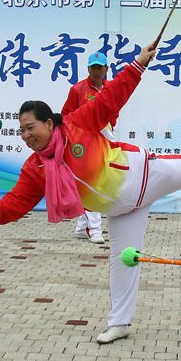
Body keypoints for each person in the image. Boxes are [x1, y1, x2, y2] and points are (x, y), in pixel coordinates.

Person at [0, 42, 181, 345]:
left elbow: (112, 97)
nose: (27, 136)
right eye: (22, 132)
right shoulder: (36, 168)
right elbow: (16, 202)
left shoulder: (77, 125)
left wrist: (138, 64)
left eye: (31, 128)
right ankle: (119, 323)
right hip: (121, 211)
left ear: (49, 123)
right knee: (123, 261)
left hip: (144, 176)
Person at [60, 51, 114, 244]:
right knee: (93, 181)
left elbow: (113, 111)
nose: (97, 71)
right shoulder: (78, 89)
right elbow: (66, 115)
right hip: (84, 141)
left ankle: (82, 227)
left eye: (100, 67)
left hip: (106, 136)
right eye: (93, 68)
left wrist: (110, 127)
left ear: (107, 69)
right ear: (88, 69)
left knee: (97, 180)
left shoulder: (110, 88)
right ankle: (95, 229)